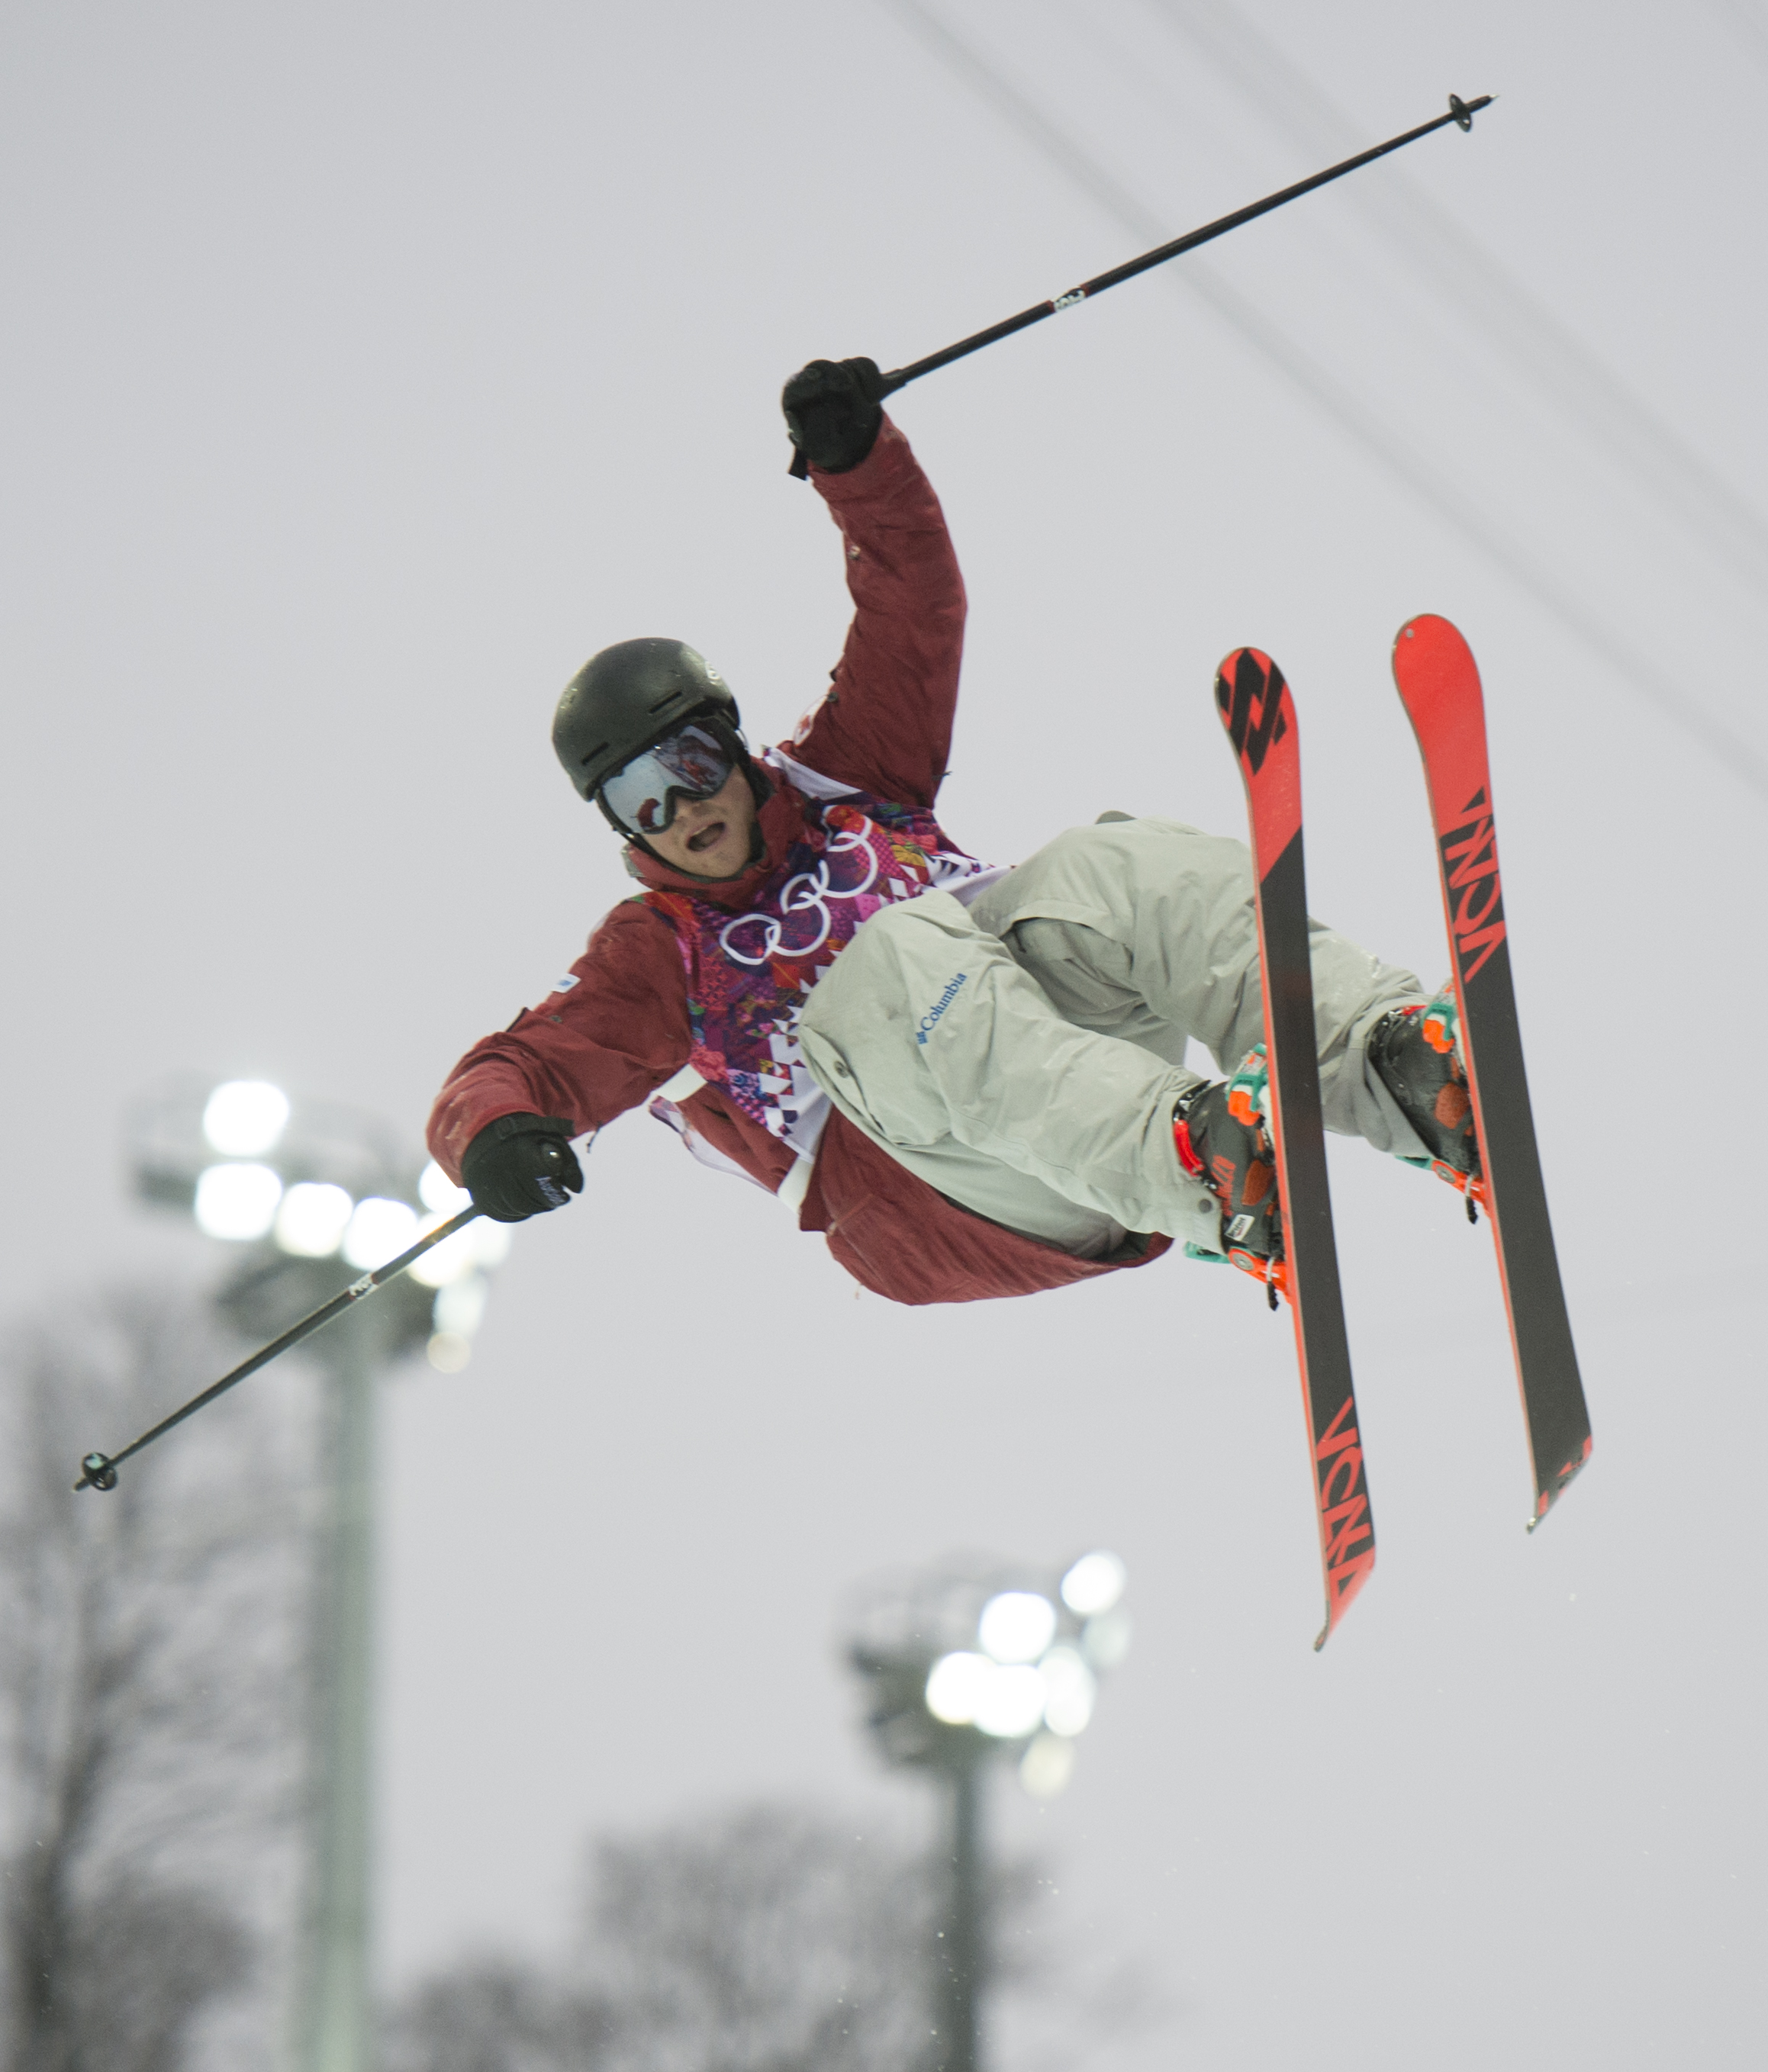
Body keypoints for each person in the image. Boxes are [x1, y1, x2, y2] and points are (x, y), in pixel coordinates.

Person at [426, 360, 1478, 1305]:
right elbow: (520, 1065)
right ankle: (1198, 1161)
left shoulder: (845, 777)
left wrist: (858, 464)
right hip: (933, 1195)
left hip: (1062, 1071)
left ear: (733, 745)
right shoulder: (657, 953)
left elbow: (912, 609)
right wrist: (495, 1136)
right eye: (640, 801)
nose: (683, 810)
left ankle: (1391, 1066)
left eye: (691, 765)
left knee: (1109, 864)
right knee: (894, 960)